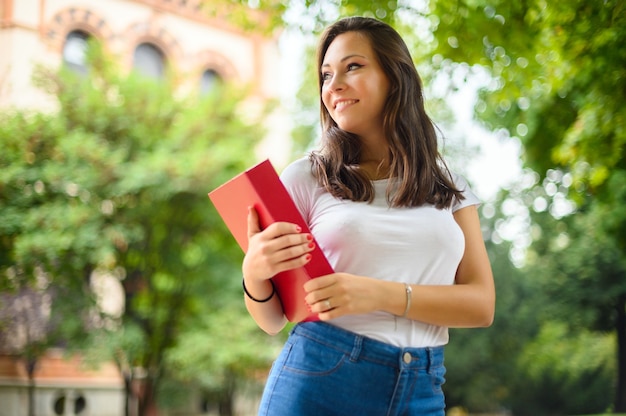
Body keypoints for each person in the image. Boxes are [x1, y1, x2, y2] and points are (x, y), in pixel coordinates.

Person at [241, 16, 495, 416]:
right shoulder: (306, 177)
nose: (334, 85)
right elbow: (273, 319)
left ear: (395, 78)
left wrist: (379, 294)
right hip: (321, 377)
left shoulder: (449, 186)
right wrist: (254, 273)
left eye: (352, 66)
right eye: (326, 75)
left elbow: (481, 305)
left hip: (422, 387)